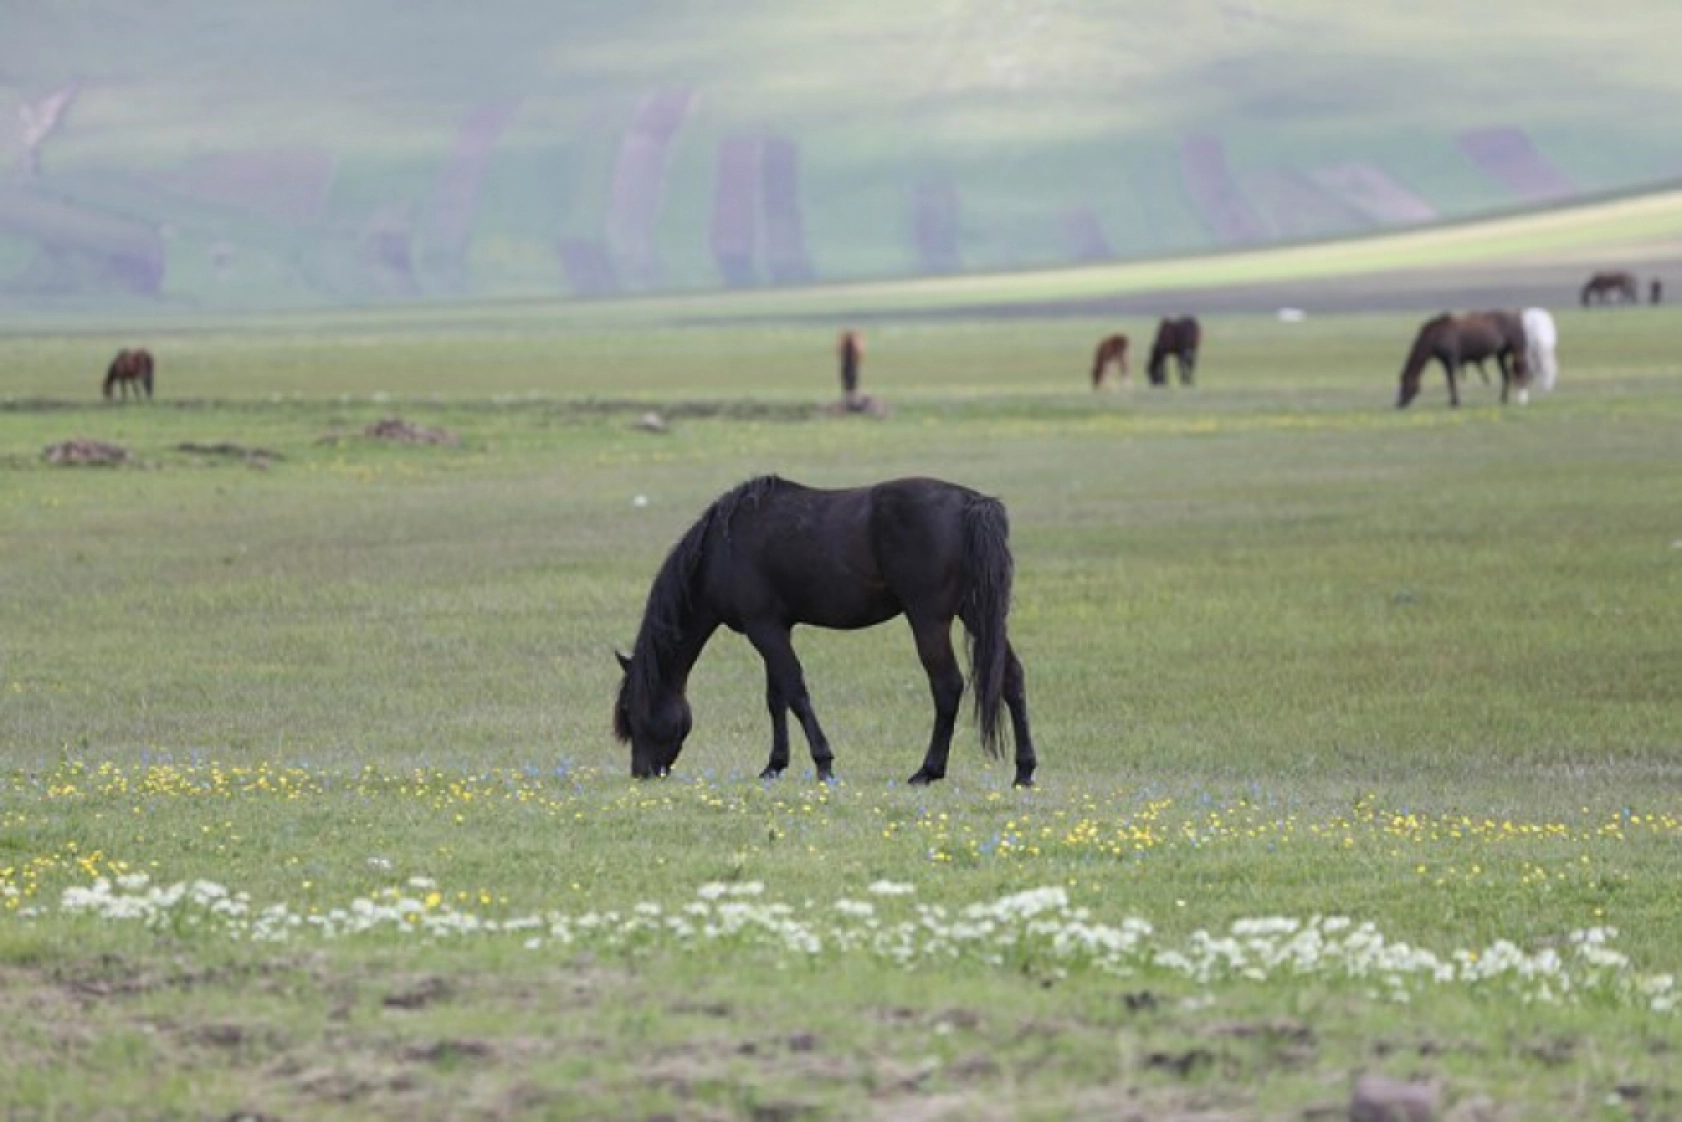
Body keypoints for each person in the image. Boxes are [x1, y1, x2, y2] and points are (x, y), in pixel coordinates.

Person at [837, 330, 864, 405]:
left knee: (850, 375)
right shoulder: (851, 341)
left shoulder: (853, 341)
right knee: (849, 375)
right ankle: (850, 395)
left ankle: (851, 395)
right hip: (849, 362)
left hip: (850, 362)